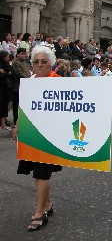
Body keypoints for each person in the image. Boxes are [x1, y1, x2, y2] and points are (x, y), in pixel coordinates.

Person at [13, 45, 61, 231]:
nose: (39, 65)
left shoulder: (58, 82)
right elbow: (22, 106)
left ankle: (40, 212)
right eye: (36, 61)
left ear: (51, 63)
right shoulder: (30, 80)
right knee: (36, 171)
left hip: (50, 135)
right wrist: (18, 126)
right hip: (32, 132)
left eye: (44, 61)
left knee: (42, 172)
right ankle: (47, 204)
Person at [11, 48, 32, 124]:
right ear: (18, 54)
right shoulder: (16, 62)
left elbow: (31, 71)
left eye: (25, 53)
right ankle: (16, 121)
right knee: (17, 105)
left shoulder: (26, 62)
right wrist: (29, 79)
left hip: (26, 86)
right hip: (17, 87)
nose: (24, 55)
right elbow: (19, 73)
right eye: (22, 53)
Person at [0, 51, 12, 130]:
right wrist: (6, 73)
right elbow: (2, 74)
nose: (8, 58)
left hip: (6, 87)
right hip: (0, 87)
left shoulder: (7, 65)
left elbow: (10, 72)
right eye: (7, 57)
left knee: (4, 105)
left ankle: (3, 124)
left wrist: (5, 73)